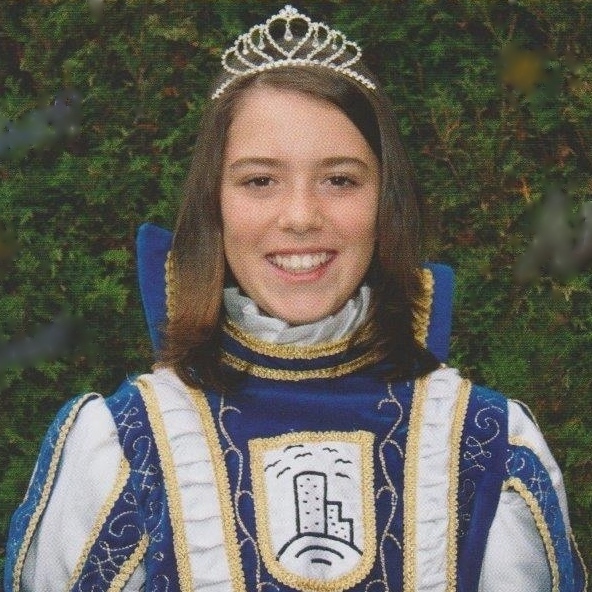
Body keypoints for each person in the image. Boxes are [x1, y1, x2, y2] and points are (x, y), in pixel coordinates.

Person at [4, 5, 587, 592]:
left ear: (385, 202)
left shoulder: (487, 443)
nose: (301, 216)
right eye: (260, 180)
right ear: (215, 204)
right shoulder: (124, 443)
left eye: (340, 179)